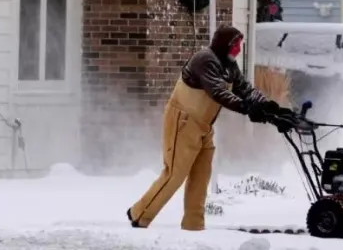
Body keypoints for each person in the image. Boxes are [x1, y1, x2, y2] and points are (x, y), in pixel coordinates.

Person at [127, 25, 299, 231]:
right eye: (236, 44)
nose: (238, 48)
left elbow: (245, 89)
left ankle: (193, 225)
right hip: (183, 120)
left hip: (203, 125)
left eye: (239, 44)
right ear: (225, 44)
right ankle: (140, 214)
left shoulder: (228, 65)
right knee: (175, 174)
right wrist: (247, 108)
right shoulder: (205, 60)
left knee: (201, 176)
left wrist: (272, 109)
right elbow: (217, 92)